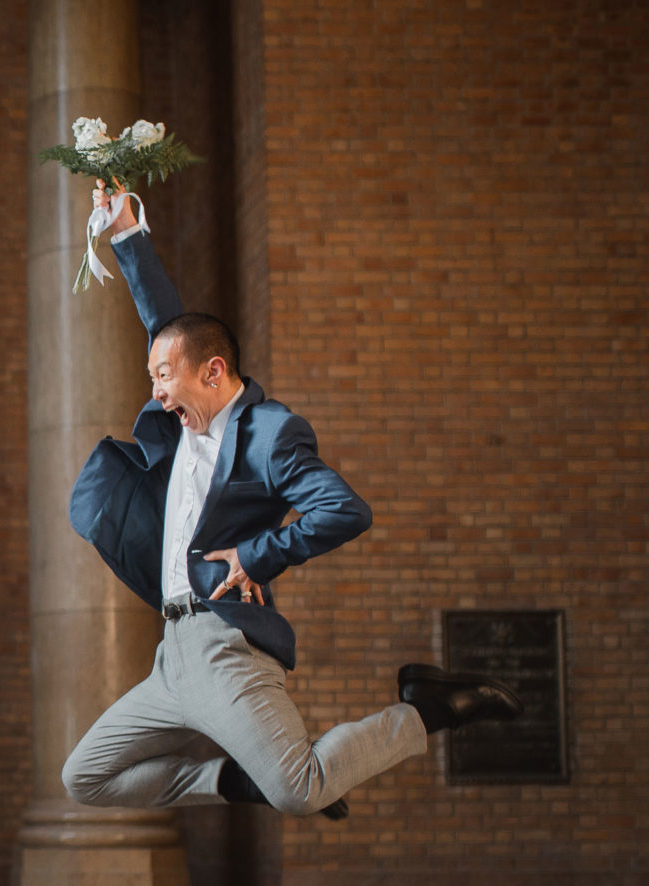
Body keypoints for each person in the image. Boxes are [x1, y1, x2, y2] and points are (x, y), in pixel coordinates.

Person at [61, 179, 522, 819]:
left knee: (300, 790)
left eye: (165, 377)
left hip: (225, 645)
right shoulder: (183, 421)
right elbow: (168, 328)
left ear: (214, 372)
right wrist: (127, 233)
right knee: (85, 777)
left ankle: (431, 708)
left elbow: (345, 510)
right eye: (155, 378)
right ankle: (235, 782)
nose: (157, 394)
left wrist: (255, 555)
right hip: (171, 657)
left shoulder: (271, 433)